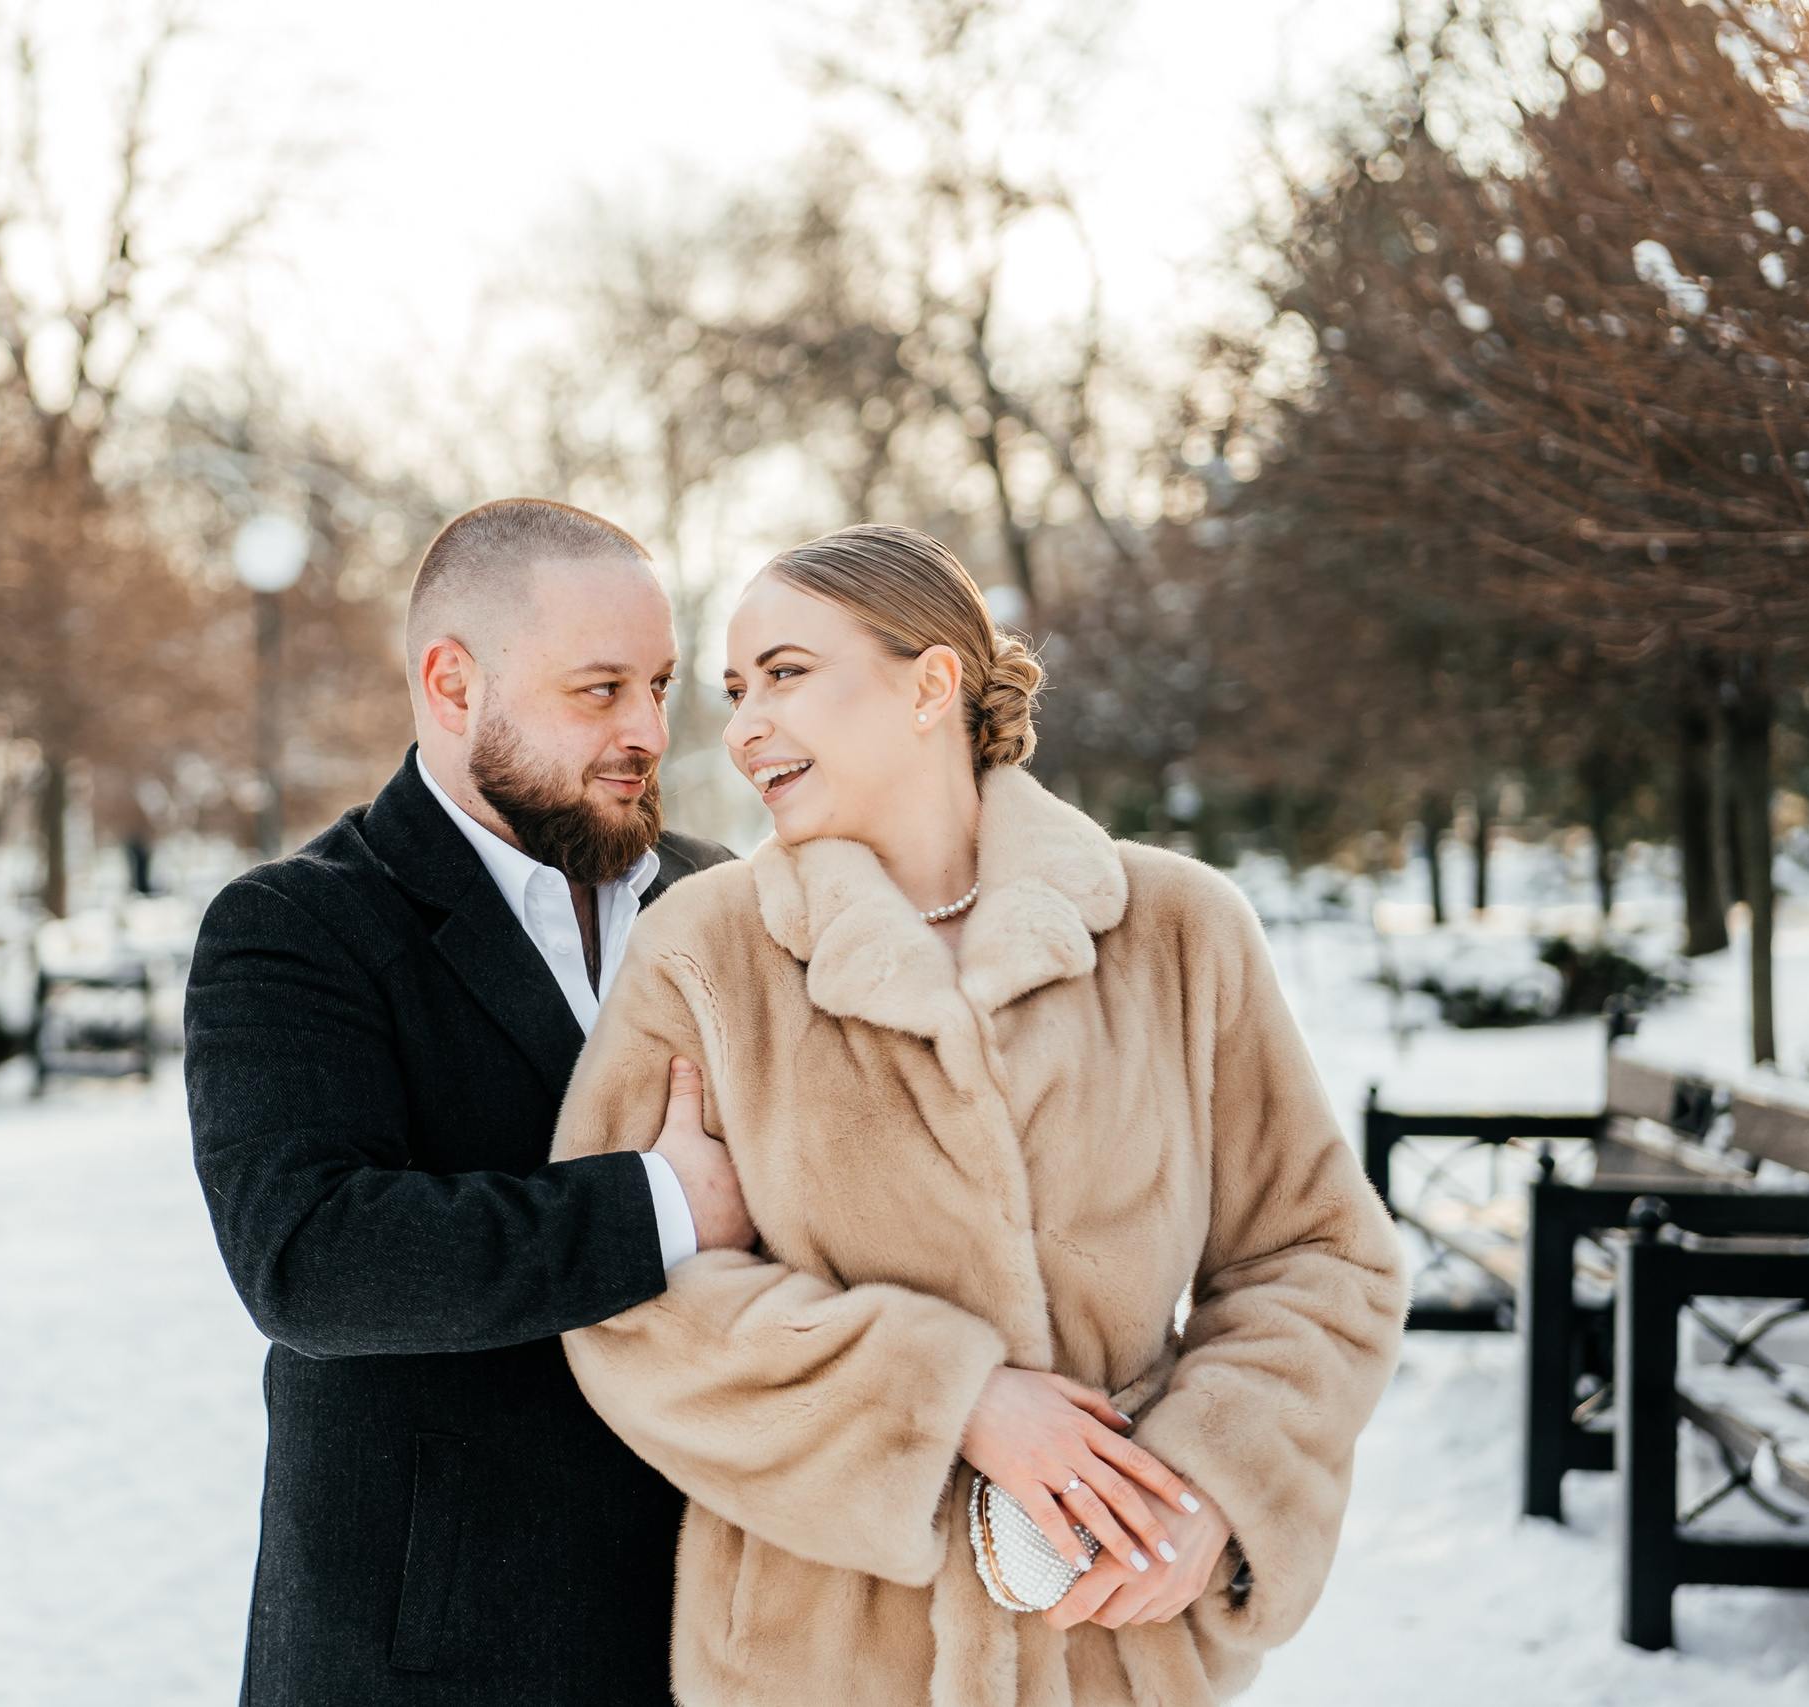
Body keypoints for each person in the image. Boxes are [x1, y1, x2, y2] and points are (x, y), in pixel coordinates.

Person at [552, 523, 1406, 1707]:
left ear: (931, 684)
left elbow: (1319, 1258)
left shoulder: (1175, 930)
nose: (744, 727)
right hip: (816, 1659)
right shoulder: (704, 953)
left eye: (787, 674)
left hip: (1116, 1636)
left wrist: (1220, 1484)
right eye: (735, 690)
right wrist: (942, 1397)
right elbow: (626, 1298)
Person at [186, 497, 751, 1706]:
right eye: (598, 690)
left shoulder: (725, 904)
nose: (647, 729)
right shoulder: (297, 927)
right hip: (440, 1657)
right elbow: (311, 1260)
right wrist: (661, 1205)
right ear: (452, 684)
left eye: (658, 685)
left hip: (724, 1638)